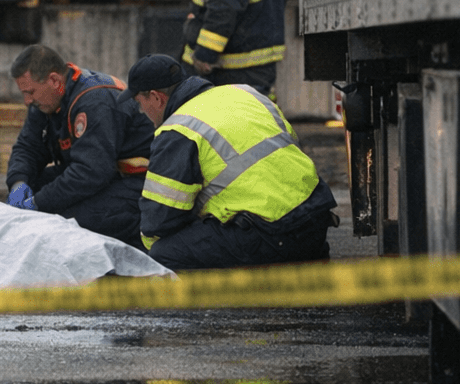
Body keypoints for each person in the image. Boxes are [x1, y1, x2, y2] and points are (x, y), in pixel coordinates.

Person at [121, 54, 336, 271]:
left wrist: (147, 249)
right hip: (315, 221)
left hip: (273, 235)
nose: (142, 112)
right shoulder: (245, 93)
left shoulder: (178, 130)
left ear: (156, 98)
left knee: (164, 253)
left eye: (140, 103)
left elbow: (159, 221)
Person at [4, 44, 154, 248]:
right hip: (105, 175)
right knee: (27, 194)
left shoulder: (95, 101)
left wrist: (39, 203)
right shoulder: (45, 102)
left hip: (138, 185)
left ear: (54, 80)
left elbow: (91, 172)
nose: (27, 101)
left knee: (67, 222)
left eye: (30, 92)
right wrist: (18, 182)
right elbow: (28, 147)